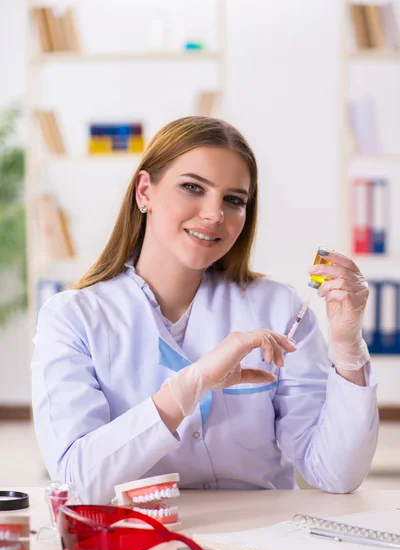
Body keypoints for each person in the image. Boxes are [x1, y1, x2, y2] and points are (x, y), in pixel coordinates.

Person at [32, 116, 378, 504]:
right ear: (145, 191)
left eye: (234, 200)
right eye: (193, 187)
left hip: (262, 543)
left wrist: (347, 347)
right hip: (142, 541)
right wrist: (190, 385)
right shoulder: (73, 317)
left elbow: (335, 473)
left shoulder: (278, 307)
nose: (215, 214)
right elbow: (76, 484)